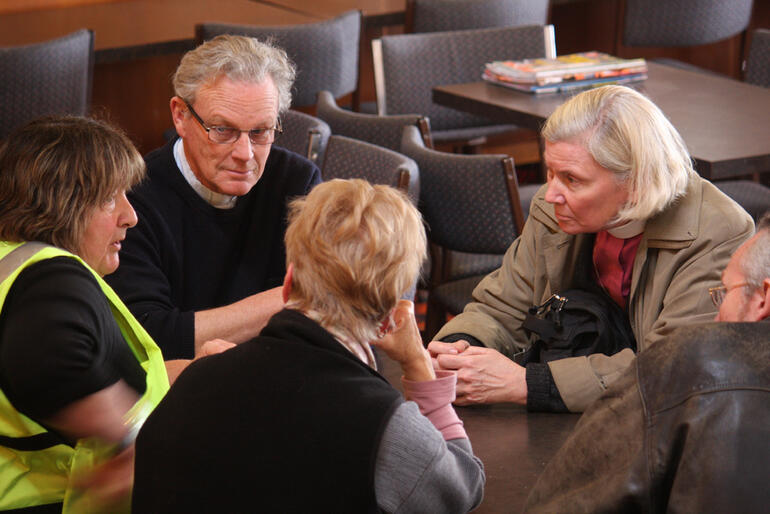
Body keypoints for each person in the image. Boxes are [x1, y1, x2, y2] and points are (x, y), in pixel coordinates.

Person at [131, 179, 485, 513]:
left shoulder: (192, 382)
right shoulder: (383, 426)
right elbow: (463, 489)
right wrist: (418, 366)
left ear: (287, 286)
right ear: (390, 319)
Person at [430, 85, 754, 412]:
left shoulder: (717, 231)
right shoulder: (554, 207)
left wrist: (527, 384)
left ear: (636, 183)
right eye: (551, 171)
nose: (550, 193)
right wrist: (456, 350)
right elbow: (503, 306)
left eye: (572, 179)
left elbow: (670, 366)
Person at [0, 116, 228, 513]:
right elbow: (49, 361)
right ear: (63, 204)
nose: (130, 216)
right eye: (111, 198)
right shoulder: (51, 277)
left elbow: (90, 373)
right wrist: (120, 443)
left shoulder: (15, 262)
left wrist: (193, 374)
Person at [525, 212, 770, 513]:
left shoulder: (687, 363)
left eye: (724, 293)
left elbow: (567, 502)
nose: (716, 317)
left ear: (763, 298)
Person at [105, 35, 321, 359]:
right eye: (223, 130)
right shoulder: (131, 198)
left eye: (261, 132)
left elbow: (322, 319)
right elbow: (148, 337)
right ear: (180, 116)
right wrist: (292, 298)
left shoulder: (297, 181)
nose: (245, 155)